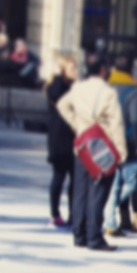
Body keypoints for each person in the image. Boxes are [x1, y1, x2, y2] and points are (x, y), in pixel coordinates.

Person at [56, 52, 127, 251]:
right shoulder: (108, 92)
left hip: (82, 144)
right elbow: (116, 123)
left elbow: (62, 105)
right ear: (103, 70)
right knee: (99, 190)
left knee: (80, 189)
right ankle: (94, 236)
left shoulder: (78, 88)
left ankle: (79, 234)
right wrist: (121, 152)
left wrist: (76, 124)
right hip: (102, 145)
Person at [103, 55, 137, 237]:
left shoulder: (107, 86)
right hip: (125, 141)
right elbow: (134, 119)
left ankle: (110, 218)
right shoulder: (132, 91)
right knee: (132, 181)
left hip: (105, 138)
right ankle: (109, 215)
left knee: (114, 181)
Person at [45, 53, 77, 228]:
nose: (76, 71)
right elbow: (55, 95)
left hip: (74, 136)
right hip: (59, 138)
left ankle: (74, 214)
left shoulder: (76, 86)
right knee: (59, 176)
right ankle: (55, 214)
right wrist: (57, 74)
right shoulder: (55, 86)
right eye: (72, 68)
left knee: (75, 178)